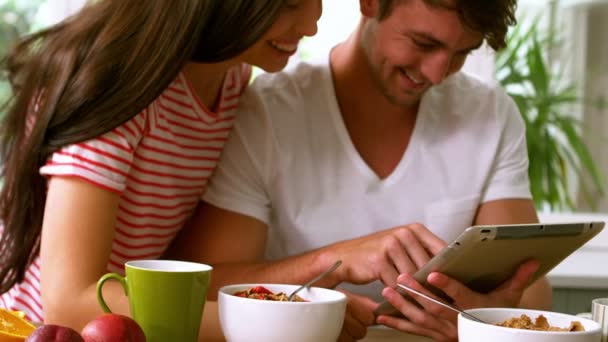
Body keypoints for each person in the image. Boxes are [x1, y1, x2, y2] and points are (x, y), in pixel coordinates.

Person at [167, 0, 552, 340]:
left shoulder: (490, 114)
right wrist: (328, 266)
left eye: (461, 53)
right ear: (369, 3)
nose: (437, 73)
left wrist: (482, 322)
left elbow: (530, 287)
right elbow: (207, 283)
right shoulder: (267, 112)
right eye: (424, 43)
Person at [0, 0, 322, 337]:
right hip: (32, 330)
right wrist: (282, 322)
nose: (311, 25)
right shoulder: (122, 82)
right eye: (289, 4)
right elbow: (70, 303)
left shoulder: (231, 80)